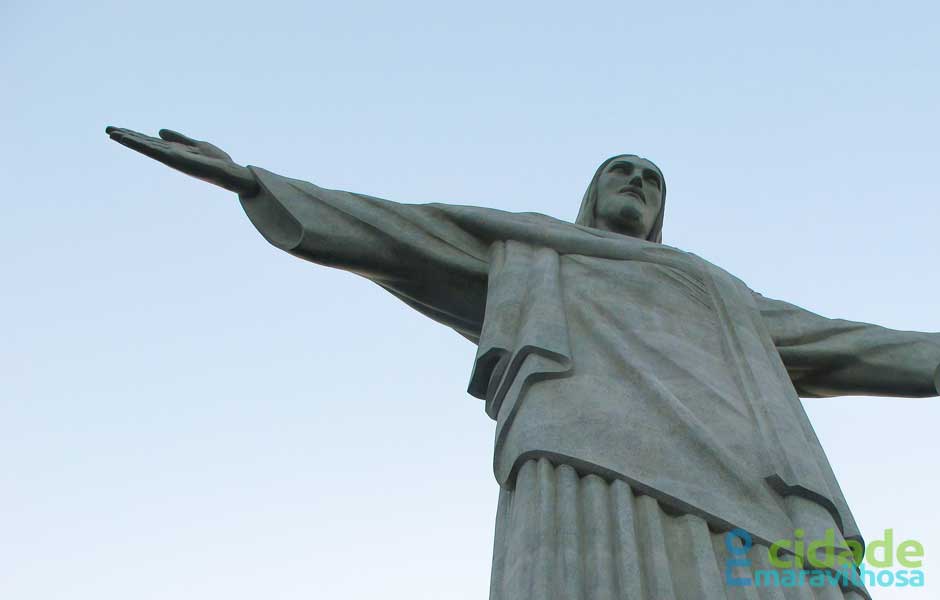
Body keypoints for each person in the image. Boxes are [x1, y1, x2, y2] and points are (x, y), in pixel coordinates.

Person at [107, 126, 940, 600]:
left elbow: (848, 344)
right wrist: (253, 182)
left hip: (750, 479)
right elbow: (397, 232)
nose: (637, 182)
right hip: (583, 451)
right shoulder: (530, 250)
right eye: (622, 171)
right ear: (591, 192)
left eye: (651, 179)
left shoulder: (713, 290)